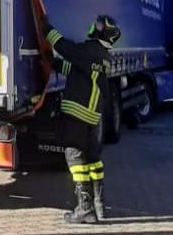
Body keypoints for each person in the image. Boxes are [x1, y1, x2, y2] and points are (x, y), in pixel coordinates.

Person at [46, 14, 120, 224]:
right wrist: (58, 66)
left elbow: (64, 47)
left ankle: (85, 209)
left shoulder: (88, 50)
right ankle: (99, 206)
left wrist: (46, 28)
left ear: (98, 31)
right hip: (93, 115)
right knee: (93, 159)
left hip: (78, 112)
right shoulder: (103, 56)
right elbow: (80, 71)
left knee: (75, 157)